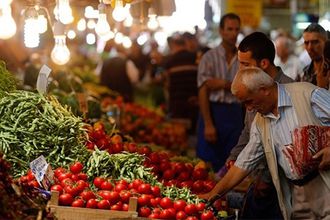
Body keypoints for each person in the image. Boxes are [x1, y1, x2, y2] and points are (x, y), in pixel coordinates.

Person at [199, 66, 330, 219]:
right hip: (296, 194)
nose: (248, 109)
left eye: (249, 101)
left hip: (325, 184)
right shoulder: (260, 122)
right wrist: (213, 194)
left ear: (264, 89)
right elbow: (243, 163)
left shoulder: (307, 94)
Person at [225, 31, 294, 219]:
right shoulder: (250, 86)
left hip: (282, 186)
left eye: (245, 64)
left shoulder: (289, 91)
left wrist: (265, 179)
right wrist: (234, 156)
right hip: (257, 179)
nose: (240, 69)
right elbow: (248, 131)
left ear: (263, 63)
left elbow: (285, 146)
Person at [197, 13, 244, 172]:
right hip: (213, 111)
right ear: (221, 31)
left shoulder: (242, 58)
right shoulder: (209, 57)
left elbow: (245, 89)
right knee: (208, 163)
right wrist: (208, 123)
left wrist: (223, 84)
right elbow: (203, 90)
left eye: (236, 29)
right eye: (229, 29)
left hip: (236, 114)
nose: (233, 33)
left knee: (232, 162)